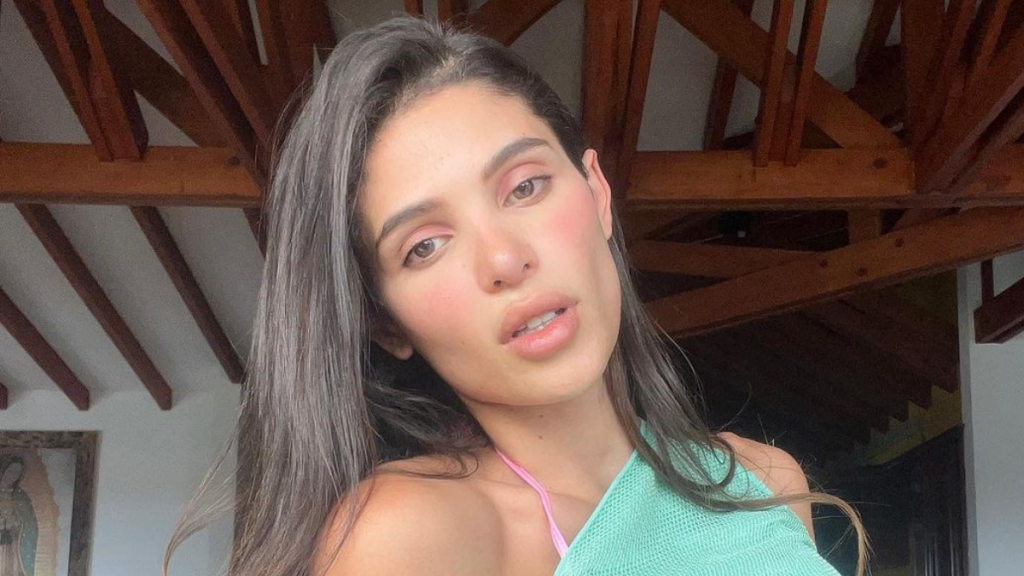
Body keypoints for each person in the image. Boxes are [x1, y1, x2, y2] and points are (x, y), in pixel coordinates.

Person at [165, 15, 867, 576]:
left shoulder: (765, 480)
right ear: (386, 323)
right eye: (424, 245)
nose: (504, 260)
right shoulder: (411, 537)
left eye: (525, 186)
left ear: (597, 193)